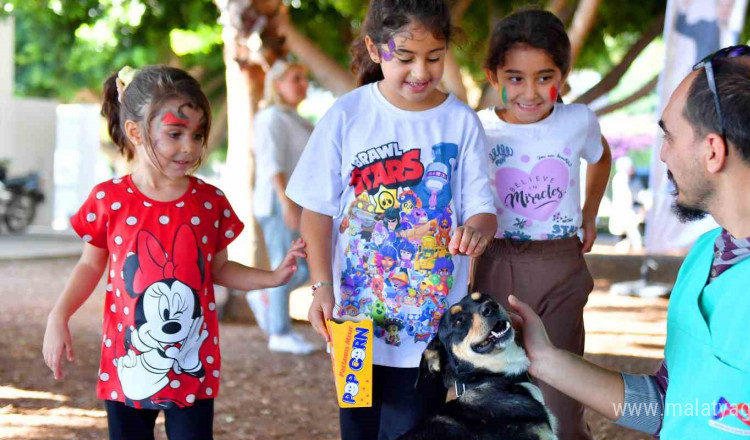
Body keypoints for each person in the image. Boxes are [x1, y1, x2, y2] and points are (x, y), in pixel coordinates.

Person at [508, 47, 750, 440]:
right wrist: (545, 360)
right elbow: (669, 407)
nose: (663, 153)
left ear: (713, 151)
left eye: (669, 135)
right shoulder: (708, 253)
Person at [41, 65, 306, 440]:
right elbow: (89, 265)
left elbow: (221, 269)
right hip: (127, 363)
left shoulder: (210, 202)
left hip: (192, 366)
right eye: (175, 133)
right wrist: (58, 316)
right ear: (135, 132)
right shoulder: (109, 200)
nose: (190, 147)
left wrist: (273, 277)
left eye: (197, 134)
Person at [286, 1, 497, 438]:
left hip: (429, 331)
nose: (421, 71)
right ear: (374, 48)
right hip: (354, 322)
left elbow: (482, 207)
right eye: (405, 58)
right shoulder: (347, 116)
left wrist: (476, 230)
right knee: (358, 429)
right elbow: (317, 210)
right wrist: (321, 287)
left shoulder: (460, 122)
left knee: (411, 430)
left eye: (434, 57)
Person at [472, 10, 611, 440]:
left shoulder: (578, 120)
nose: (530, 92)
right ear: (493, 75)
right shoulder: (478, 127)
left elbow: (601, 156)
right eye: (515, 78)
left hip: (561, 267)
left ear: (564, 76)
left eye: (544, 77)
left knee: (560, 398)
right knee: (495, 390)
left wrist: (589, 212)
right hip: (494, 263)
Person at [250, 58, 317, 354]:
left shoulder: (295, 119)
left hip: (296, 203)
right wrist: (286, 203)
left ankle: (265, 296)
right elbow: (271, 165)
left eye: (304, 78)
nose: (303, 84)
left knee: (301, 268)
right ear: (277, 85)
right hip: (279, 204)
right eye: (295, 78)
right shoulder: (270, 118)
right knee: (288, 265)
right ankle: (279, 332)